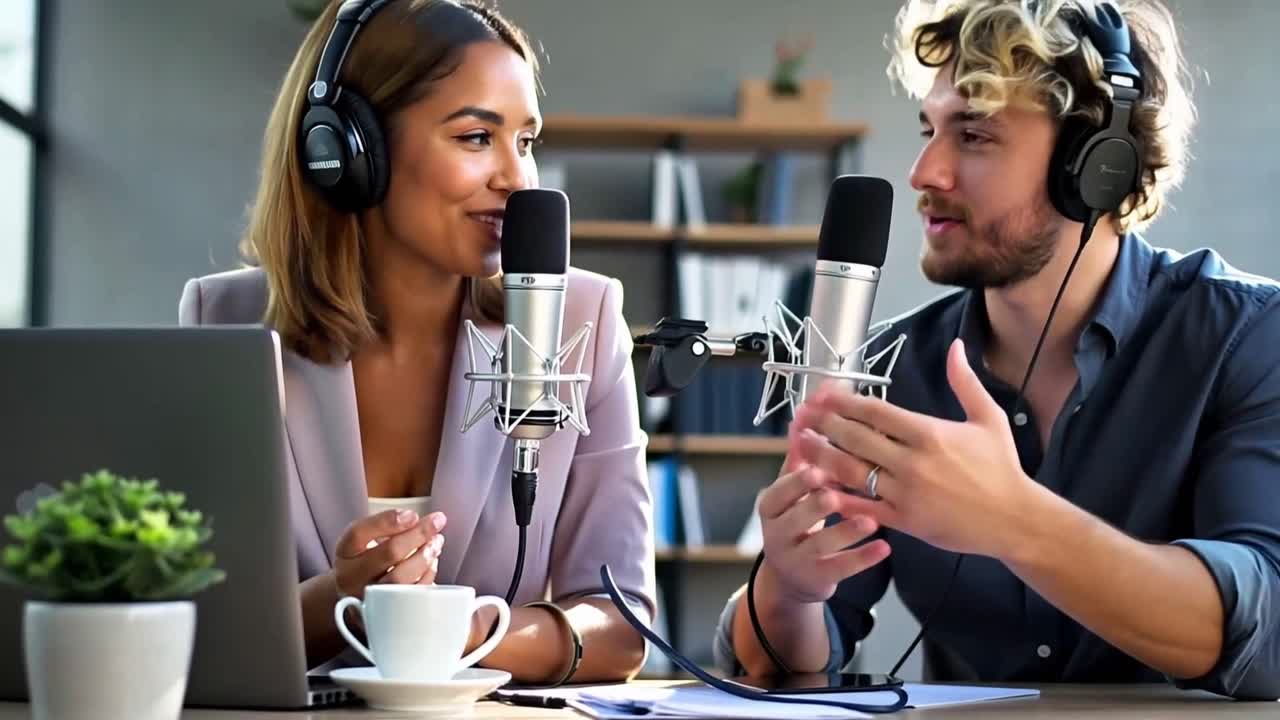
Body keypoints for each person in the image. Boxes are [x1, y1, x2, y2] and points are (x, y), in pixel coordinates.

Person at [715, 0, 1280, 701]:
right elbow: (780, 663)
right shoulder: (889, 368)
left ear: (1096, 164)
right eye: (929, 130)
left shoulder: (1247, 335)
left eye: (974, 136)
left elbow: (1268, 635)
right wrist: (789, 591)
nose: (924, 172)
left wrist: (1012, 519)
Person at [178, 0, 655, 686]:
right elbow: (195, 631)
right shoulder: (224, 321)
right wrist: (339, 601)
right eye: (474, 138)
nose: (515, 180)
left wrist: (471, 634)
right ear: (345, 151)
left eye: (525, 141)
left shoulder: (583, 317)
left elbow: (621, 625)